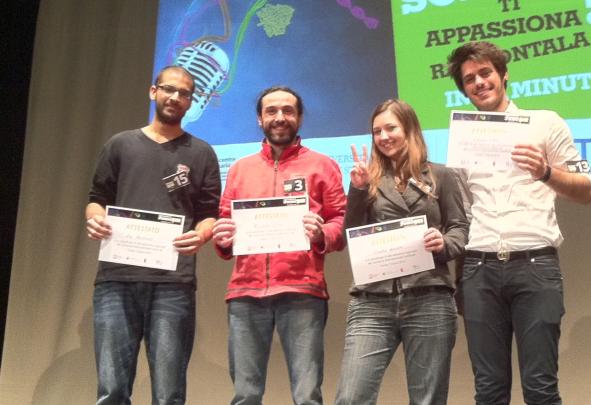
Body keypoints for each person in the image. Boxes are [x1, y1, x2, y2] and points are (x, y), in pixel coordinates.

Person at [447, 41, 591, 404]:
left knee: (541, 388)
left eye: (485, 73)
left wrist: (545, 172)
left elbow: (586, 190)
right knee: (489, 390)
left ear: (503, 75)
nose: (479, 82)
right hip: (478, 269)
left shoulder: (544, 122)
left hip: (535, 265)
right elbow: (462, 211)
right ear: (464, 88)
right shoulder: (463, 136)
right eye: (470, 79)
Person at [85, 65, 221, 404]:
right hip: (116, 280)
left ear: (191, 102)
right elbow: (96, 200)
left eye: (185, 93)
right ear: (153, 91)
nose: (176, 97)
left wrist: (202, 235)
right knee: (112, 391)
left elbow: (209, 215)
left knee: (169, 393)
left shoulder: (202, 153)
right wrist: (95, 219)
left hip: (173, 284)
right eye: (169, 89)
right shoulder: (120, 144)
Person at [211, 86, 347, 405]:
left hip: (302, 291)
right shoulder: (240, 168)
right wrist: (223, 239)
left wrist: (321, 234)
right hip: (245, 292)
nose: (280, 117)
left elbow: (340, 221)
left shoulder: (323, 165)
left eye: (288, 110)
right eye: (271, 111)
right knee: (245, 395)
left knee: (307, 395)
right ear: (260, 119)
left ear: (299, 118)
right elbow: (224, 221)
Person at [334, 99, 469, 405]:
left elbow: (460, 228)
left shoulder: (441, 176)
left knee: (428, 400)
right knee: (351, 398)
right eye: (377, 131)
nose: (383, 136)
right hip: (372, 301)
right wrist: (356, 191)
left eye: (391, 127)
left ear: (409, 129)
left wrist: (444, 243)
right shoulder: (366, 181)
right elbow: (350, 238)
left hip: (429, 297)